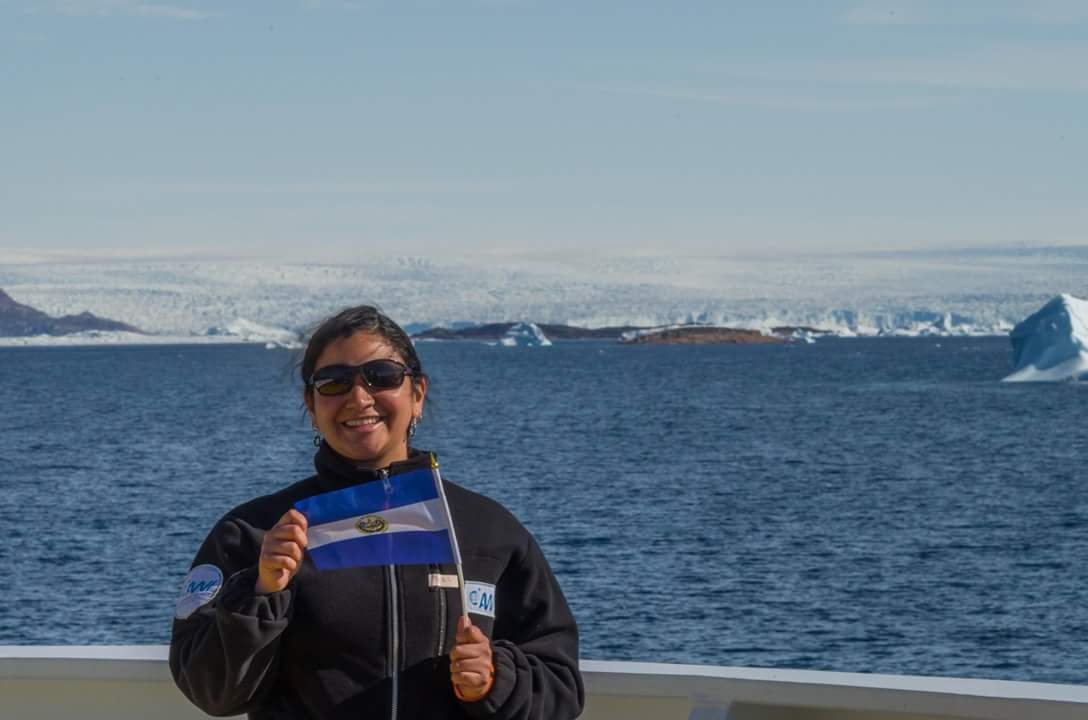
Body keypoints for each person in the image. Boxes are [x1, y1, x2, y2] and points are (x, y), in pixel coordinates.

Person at [169, 305, 584, 720]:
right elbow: (211, 691)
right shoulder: (256, 533)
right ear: (311, 406)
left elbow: (560, 686)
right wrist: (262, 592)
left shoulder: (488, 532)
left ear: (417, 394)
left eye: (381, 376)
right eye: (334, 383)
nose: (359, 397)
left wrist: (494, 681)